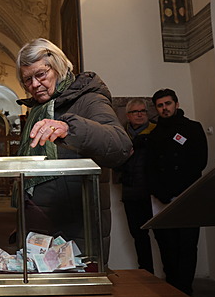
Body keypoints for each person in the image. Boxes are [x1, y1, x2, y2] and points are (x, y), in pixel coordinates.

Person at [15, 38, 132, 258]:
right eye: (27, 80)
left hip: (76, 229)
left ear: (58, 66)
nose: (34, 85)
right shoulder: (38, 110)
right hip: (40, 225)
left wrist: (69, 128)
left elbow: (120, 146)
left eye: (40, 75)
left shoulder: (89, 99)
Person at [147, 88, 208, 295]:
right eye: (160, 105)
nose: (165, 108)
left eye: (168, 104)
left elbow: (200, 161)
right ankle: (172, 290)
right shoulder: (154, 135)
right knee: (167, 246)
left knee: (188, 246)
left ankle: (186, 290)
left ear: (177, 104)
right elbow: (151, 169)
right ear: (156, 109)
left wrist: (182, 191)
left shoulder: (192, 128)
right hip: (162, 198)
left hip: (188, 195)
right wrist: (161, 192)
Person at [118, 98, 156, 274]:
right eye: (135, 112)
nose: (140, 114)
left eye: (143, 111)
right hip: (130, 193)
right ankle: (147, 273)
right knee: (138, 237)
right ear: (128, 115)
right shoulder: (120, 135)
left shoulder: (157, 132)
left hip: (153, 194)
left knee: (161, 236)